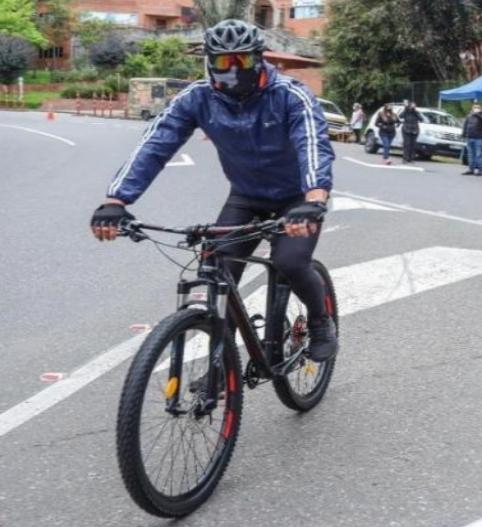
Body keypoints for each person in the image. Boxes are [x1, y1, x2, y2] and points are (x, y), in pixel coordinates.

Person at [89, 19, 339, 361]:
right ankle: (223, 363)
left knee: (290, 261)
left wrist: (314, 198)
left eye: (242, 61)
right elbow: (155, 146)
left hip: (297, 198)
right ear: (209, 62)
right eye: (223, 62)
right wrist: (115, 200)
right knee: (217, 270)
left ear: (258, 59)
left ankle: (320, 321)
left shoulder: (289, 95)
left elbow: (313, 144)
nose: (233, 69)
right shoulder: (198, 98)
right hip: (246, 195)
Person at [461, 102, 482, 176]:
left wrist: (477, 114)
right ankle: (471, 169)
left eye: (478, 107)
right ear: (472, 108)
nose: (476, 109)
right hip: (469, 137)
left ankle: (480, 170)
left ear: (481, 108)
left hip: (479, 138)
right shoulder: (469, 115)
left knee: (479, 154)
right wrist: (463, 134)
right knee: (470, 154)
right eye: (474, 107)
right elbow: (465, 125)